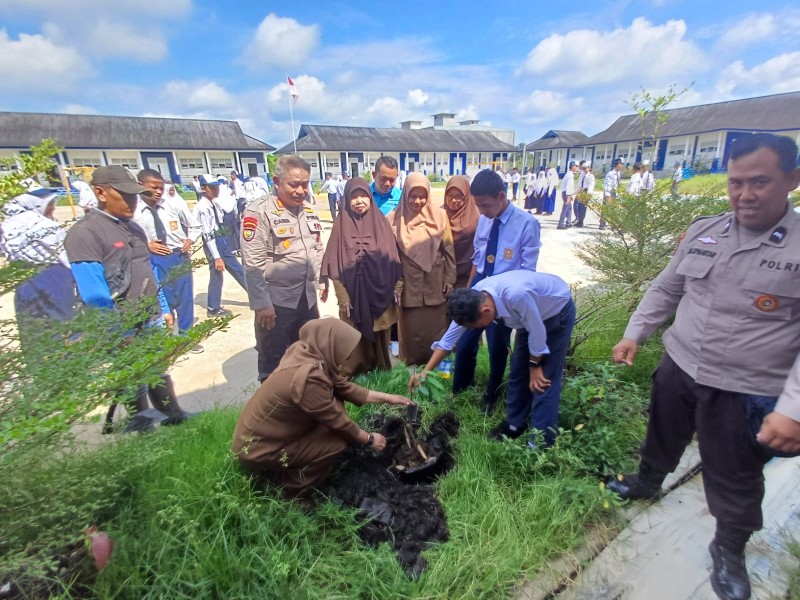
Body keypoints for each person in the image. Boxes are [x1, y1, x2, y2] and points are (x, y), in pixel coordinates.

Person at [605, 133, 800, 600]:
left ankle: (729, 549)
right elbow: (666, 289)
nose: (745, 195)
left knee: (733, 471)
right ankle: (647, 482)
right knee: (662, 432)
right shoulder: (703, 231)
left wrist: (792, 407)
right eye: (736, 183)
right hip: (681, 366)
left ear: (792, 180)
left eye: (759, 182)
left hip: (744, 386)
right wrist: (635, 332)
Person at [63, 165, 192, 425]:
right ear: (100, 192)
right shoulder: (85, 233)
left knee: (157, 369)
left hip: (150, 315)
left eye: (135, 195)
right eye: (125, 195)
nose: (132, 201)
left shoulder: (133, 228)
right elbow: (94, 294)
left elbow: (149, 271)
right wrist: (118, 333)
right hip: (122, 323)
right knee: (133, 377)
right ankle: (142, 427)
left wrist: (163, 307)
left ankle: (173, 416)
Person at [232, 319, 414, 498]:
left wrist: (389, 398)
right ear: (331, 344)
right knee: (336, 443)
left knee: (338, 409)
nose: (347, 358)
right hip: (259, 449)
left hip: (263, 436)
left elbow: (345, 388)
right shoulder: (309, 378)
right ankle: (291, 490)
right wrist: (369, 438)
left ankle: (296, 464)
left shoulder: (307, 352)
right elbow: (337, 421)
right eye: (345, 352)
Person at [410, 270, 575, 448]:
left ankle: (541, 444)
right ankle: (515, 424)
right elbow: (447, 342)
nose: (478, 329)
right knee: (518, 371)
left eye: (477, 325)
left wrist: (535, 365)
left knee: (543, 381)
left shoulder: (516, 295)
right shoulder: (473, 299)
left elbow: (538, 331)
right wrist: (425, 373)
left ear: (486, 311)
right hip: (528, 315)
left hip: (554, 312)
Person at [451, 169, 541, 414]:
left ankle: (492, 396)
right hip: (481, 282)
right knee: (466, 338)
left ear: (501, 196)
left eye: (485, 205)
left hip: (504, 291)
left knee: (496, 345)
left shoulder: (527, 224)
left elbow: (527, 271)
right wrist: (471, 289)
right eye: (477, 206)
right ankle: (459, 390)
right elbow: (478, 258)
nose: (482, 211)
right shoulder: (484, 219)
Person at [242, 155, 325, 383]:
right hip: (277, 303)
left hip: (306, 299)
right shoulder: (259, 212)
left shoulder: (308, 210)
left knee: (308, 353)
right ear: (277, 182)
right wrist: (262, 304)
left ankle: (305, 401)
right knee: (274, 360)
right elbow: (252, 262)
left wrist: (320, 280)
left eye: (305, 184)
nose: (300, 190)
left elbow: (316, 248)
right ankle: (273, 411)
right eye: (294, 184)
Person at [321, 177, 403, 377]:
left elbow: (394, 260)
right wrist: (343, 297)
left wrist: (397, 287)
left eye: (363, 196)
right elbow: (334, 265)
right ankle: (357, 372)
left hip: (380, 292)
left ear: (370, 197)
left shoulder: (381, 224)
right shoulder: (340, 227)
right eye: (354, 197)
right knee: (354, 337)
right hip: (352, 296)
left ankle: (381, 371)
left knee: (380, 335)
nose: (359, 201)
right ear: (346, 200)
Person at [388, 172, 456, 366]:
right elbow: (391, 258)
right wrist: (395, 285)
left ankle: (436, 362)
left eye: (422, 195)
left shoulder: (440, 217)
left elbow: (449, 249)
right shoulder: (393, 219)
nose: (418, 201)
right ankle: (411, 363)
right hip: (409, 283)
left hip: (435, 280)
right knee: (412, 327)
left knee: (435, 325)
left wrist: (450, 278)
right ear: (405, 194)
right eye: (413, 195)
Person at [134, 169, 202, 342]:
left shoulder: (173, 205)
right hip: (153, 259)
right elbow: (127, 237)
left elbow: (195, 226)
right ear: (140, 185)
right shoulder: (134, 211)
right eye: (154, 187)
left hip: (178, 255)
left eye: (161, 187)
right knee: (163, 298)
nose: (158, 191)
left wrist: (190, 239)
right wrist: (146, 245)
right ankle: (167, 337)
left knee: (185, 297)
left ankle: (186, 337)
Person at [194, 174, 247, 317]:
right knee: (231, 271)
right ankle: (213, 307)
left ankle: (214, 306)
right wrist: (216, 256)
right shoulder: (204, 207)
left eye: (216, 187)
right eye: (212, 188)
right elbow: (207, 233)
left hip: (221, 239)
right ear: (203, 189)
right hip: (214, 242)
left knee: (229, 272)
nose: (215, 190)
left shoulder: (214, 203)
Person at [443, 175, 479, 289]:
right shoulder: (440, 214)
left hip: (468, 275)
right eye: (450, 195)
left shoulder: (476, 216)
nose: (453, 200)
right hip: (443, 277)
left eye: (459, 196)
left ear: (466, 196)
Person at [600, 158, 624, 230]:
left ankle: (613, 225)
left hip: (615, 192)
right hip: (609, 192)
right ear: (617, 165)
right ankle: (602, 224)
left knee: (614, 209)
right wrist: (608, 195)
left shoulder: (618, 173)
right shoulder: (610, 174)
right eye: (621, 164)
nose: (622, 166)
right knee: (606, 209)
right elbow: (607, 185)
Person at [557, 161, 578, 229]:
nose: (576, 168)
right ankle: (561, 224)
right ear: (573, 167)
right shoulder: (570, 175)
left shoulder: (568, 174)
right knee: (565, 209)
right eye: (576, 166)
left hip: (567, 193)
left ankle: (568, 222)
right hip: (566, 193)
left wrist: (570, 195)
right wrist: (569, 196)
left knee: (569, 208)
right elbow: (569, 186)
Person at [575, 161, 594, 228]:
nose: (584, 170)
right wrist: (576, 192)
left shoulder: (590, 176)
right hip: (581, 191)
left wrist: (588, 195)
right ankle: (579, 221)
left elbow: (591, 186)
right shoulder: (582, 175)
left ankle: (581, 222)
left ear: (589, 168)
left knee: (583, 208)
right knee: (579, 207)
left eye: (586, 168)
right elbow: (579, 184)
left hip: (586, 192)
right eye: (583, 168)